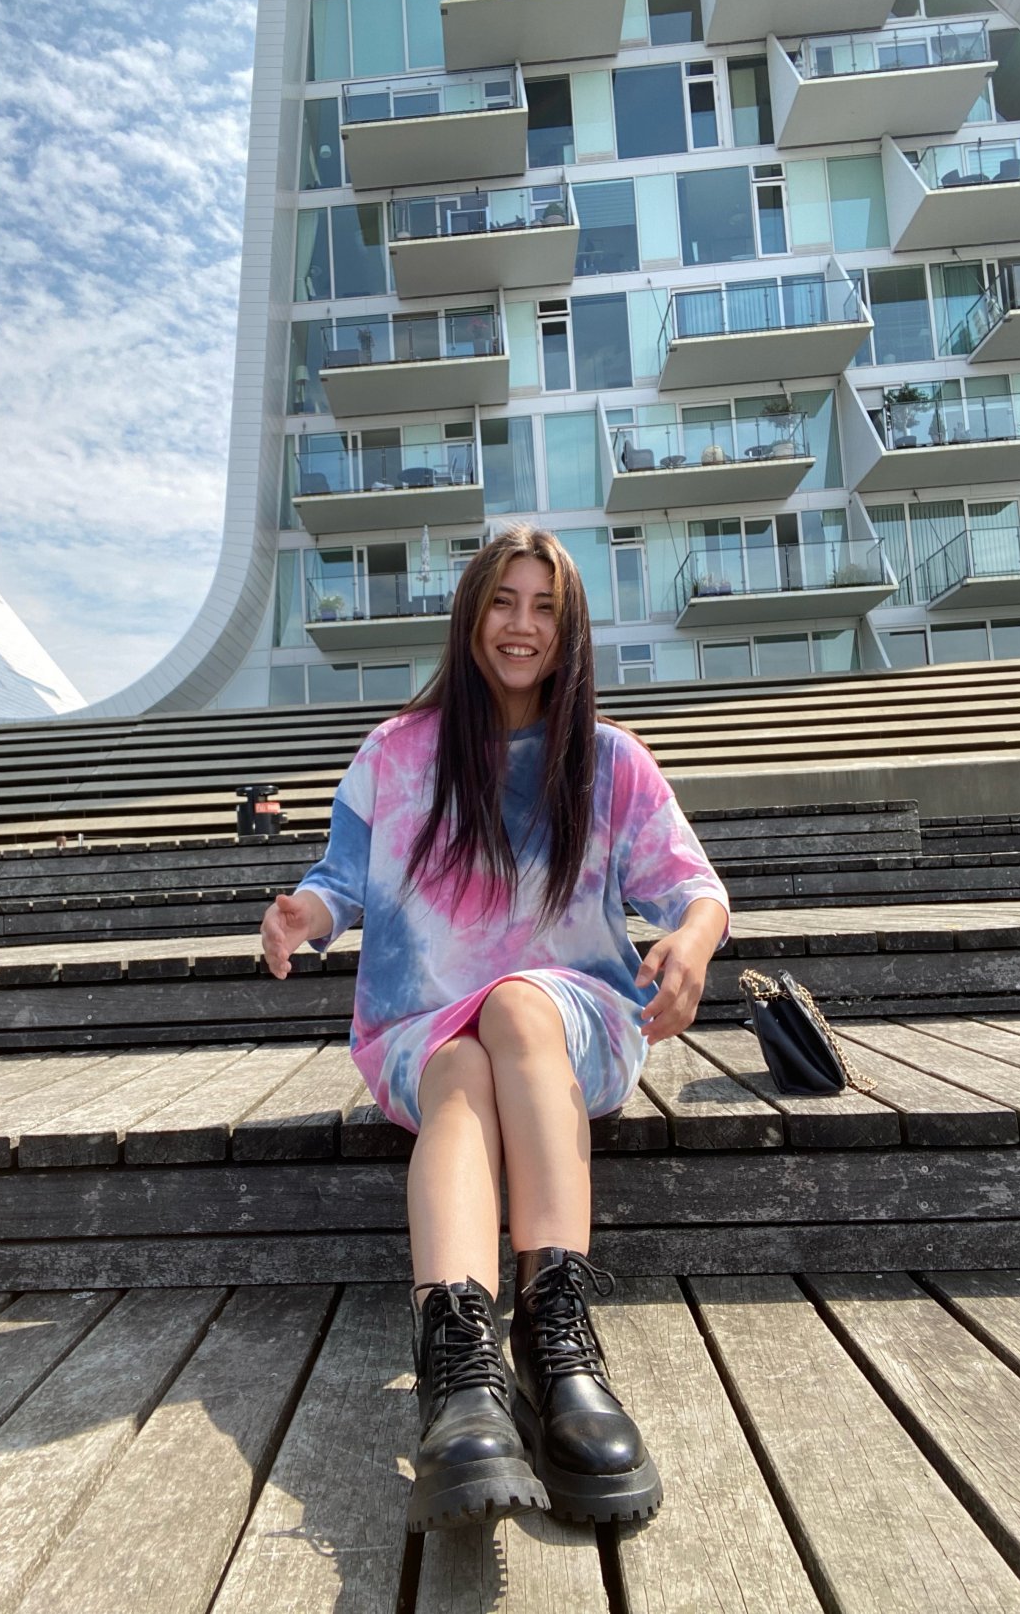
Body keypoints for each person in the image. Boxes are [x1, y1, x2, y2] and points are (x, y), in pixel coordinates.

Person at [260, 525, 729, 1533]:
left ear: (569, 628)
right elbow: (338, 878)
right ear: (472, 614)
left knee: (515, 1004)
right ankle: (462, 1371)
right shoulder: (396, 753)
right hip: (422, 1027)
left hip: (572, 1020)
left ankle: (554, 1337)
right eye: (504, 601)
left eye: (545, 606)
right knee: (461, 1060)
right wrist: (304, 913)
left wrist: (691, 943)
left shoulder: (608, 758)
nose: (522, 625)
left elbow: (693, 889)